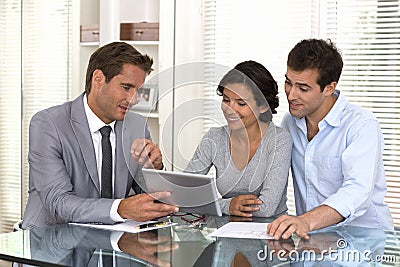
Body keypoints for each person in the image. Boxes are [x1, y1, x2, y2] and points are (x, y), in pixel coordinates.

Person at [21, 42, 178, 229]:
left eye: (138, 91)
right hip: (51, 244)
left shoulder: (136, 126)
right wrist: (121, 208)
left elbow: (152, 199)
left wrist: (156, 169)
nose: (133, 100)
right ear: (98, 79)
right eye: (126, 88)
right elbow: (58, 202)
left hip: (108, 244)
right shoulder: (48, 124)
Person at [267, 38, 393, 240]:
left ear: (329, 88)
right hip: (314, 241)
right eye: (288, 82)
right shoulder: (290, 122)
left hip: (363, 242)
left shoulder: (361, 125)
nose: (291, 95)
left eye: (303, 88)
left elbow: (357, 191)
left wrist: (306, 221)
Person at [185, 60, 292, 218]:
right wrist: (228, 206)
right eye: (226, 100)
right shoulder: (214, 138)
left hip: (269, 233)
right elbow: (184, 192)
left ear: (262, 106)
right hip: (224, 232)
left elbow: (267, 208)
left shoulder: (279, 140)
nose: (230, 110)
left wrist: (216, 204)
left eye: (241, 103)